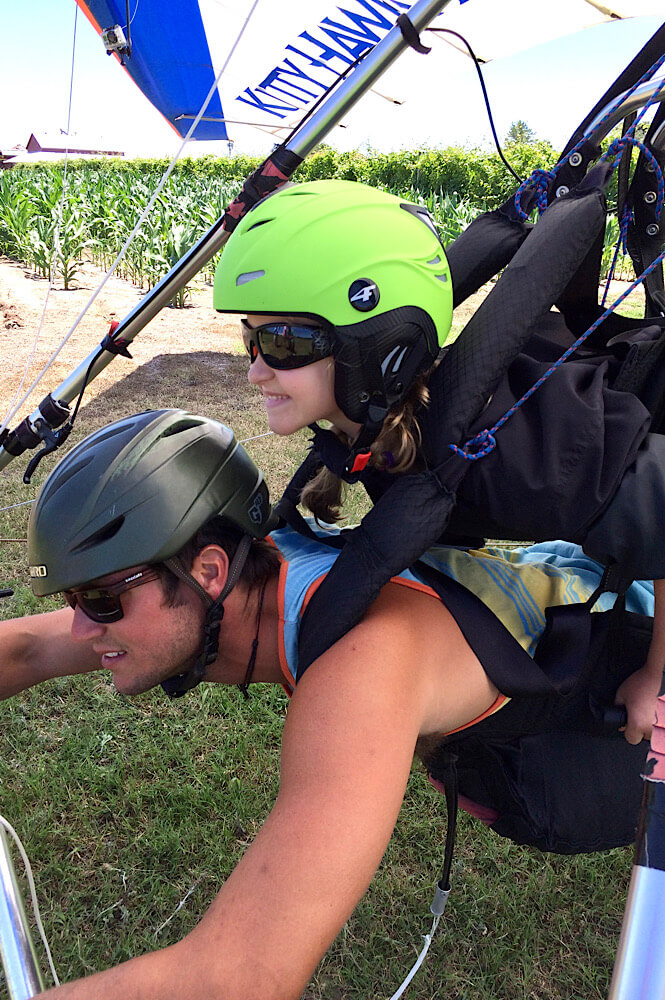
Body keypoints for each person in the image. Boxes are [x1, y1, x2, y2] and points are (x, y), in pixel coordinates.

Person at [0, 408, 657, 998]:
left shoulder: (361, 667)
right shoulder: (258, 573)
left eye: (103, 602)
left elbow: (236, 979)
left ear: (207, 571)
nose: (83, 630)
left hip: (622, 667)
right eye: (73, 602)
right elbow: (25, 651)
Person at [212, 178, 665, 746]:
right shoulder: (379, 426)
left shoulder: (506, 454)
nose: (255, 370)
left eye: (285, 343)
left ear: (379, 347)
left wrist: (655, 676)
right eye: (250, 338)